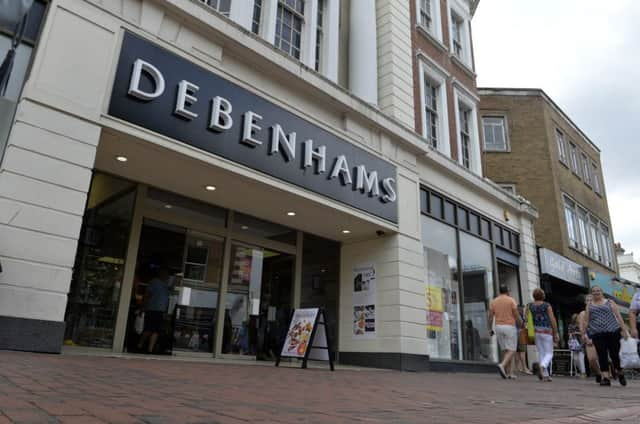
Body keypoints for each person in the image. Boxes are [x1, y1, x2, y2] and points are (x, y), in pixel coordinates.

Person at [581, 285, 629, 387]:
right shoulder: (589, 305)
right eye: (594, 291)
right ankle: (606, 378)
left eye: (598, 290)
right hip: (597, 333)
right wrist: (584, 333)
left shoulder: (610, 302)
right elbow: (586, 320)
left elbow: (618, 316)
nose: (596, 293)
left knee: (614, 355)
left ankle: (620, 373)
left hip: (613, 332)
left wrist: (624, 330)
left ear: (602, 292)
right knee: (602, 355)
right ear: (592, 293)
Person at [488, 285, 523, 379]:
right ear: (507, 291)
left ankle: (509, 373)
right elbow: (516, 314)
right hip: (509, 326)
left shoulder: (494, 301)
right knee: (512, 349)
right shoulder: (511, 300)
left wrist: (490, 328)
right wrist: (521, 323)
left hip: (498, 327)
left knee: (505, 350)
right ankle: (502, 365)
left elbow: (490, 316)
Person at [526, 288, 559, 382]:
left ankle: (545, 375)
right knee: (549, 353)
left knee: (541, 353)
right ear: (543, 295)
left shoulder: (530, 306)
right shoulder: (546, 305)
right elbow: (552, 318)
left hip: (537, 331)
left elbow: (528, 320)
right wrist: (555, 332)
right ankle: (542, 366)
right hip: (547, 331)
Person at [137, 265, 172, 354]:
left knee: (156, 330)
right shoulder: (154, 282)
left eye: (167, 274)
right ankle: (140, 345)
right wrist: (143, 307)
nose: (167, 275)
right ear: (161, 273)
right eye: (165, 273)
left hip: (160, 311)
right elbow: (147, 295)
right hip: (152, 309)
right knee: (149, 329)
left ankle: (150, 349)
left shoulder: (165, 284)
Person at [578, 294, 601, 381]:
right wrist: (585, 337)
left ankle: (604, 375)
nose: (589, 302)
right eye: (587, 300)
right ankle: (599, 373)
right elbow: (581, 327)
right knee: (591, 359)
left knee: (601, 358)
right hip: (589, 337)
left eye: (591, 300)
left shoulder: (598, 312)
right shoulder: (582, 314)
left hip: (599, 337)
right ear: (585, 302)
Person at [514, 304, 532, 374]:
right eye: (522, 309)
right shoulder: (520, 317)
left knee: (517, 352)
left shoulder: (514, 315)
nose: (523, 310)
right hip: (521, 334)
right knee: (522, 352)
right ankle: (524, 368)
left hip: (515, 335)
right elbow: (523, 325)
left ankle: (517, 368)